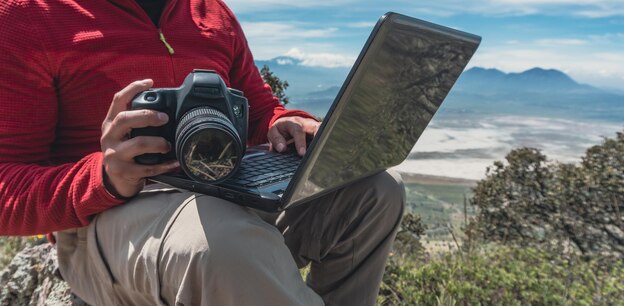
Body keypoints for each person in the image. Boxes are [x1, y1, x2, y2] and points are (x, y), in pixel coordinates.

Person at [0, 0, 404, 305]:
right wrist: (104, 176)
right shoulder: (27, 15)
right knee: (220, 244)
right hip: (105, 214)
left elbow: (260, 107)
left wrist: (288, 122)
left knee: (374, 190)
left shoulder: (210, 13)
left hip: (223, 185)